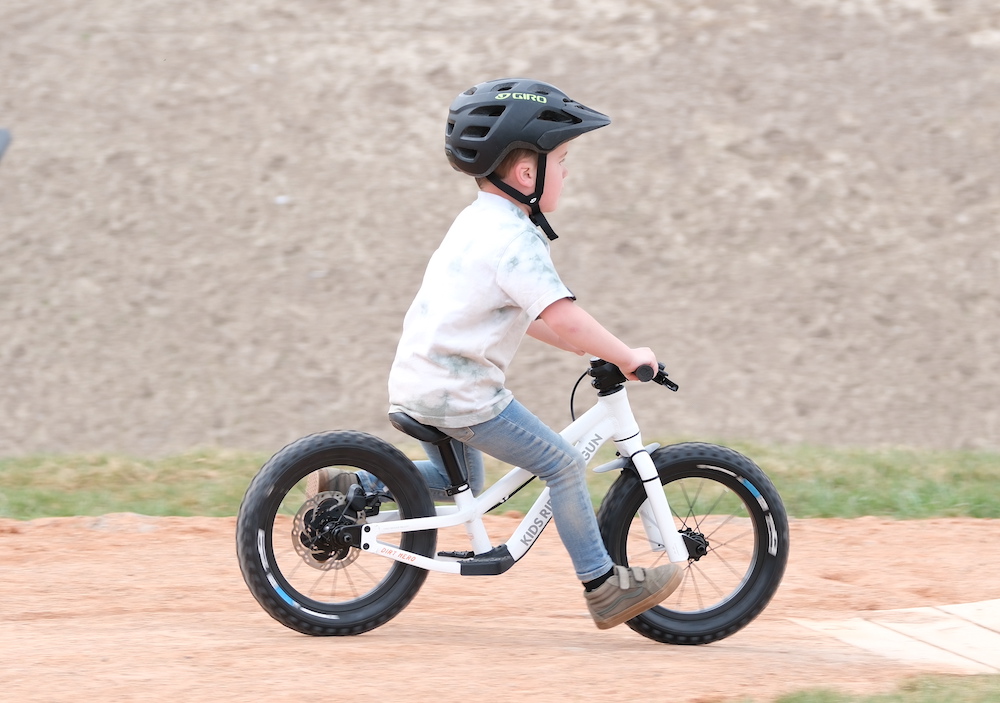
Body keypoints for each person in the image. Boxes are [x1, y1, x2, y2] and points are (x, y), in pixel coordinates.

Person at [323, 78, 682, 630]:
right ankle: (603, 586)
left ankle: (356, 487)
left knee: (455, 481)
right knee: (562, 464)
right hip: (464, 396)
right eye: (562, 161)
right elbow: (561, 314)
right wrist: (627, 354)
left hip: (423, 382)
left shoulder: (476, 222)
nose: (567, 173)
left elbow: (531, 317)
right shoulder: (516, 240)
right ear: (525, 174)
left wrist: (586, 349)